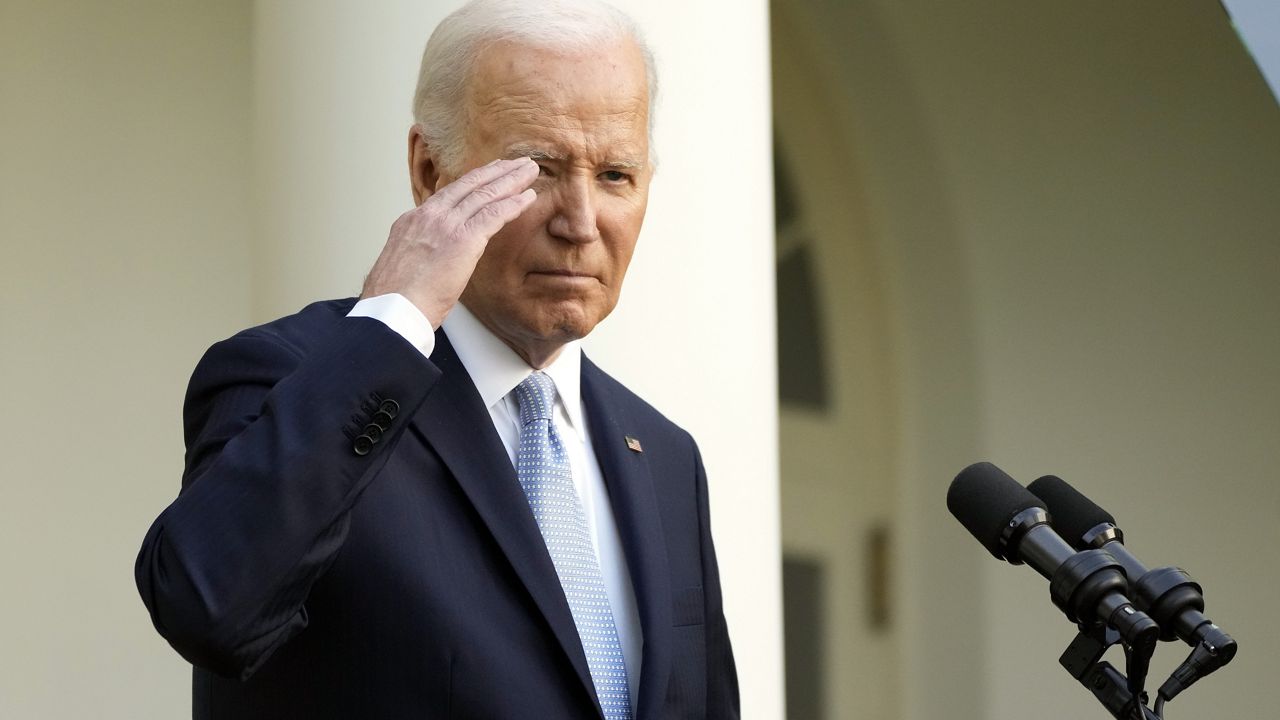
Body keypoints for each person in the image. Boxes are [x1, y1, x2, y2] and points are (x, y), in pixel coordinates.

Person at [134, 1, 739, 718]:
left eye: (615, 175)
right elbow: (208, 605)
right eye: (539, 168)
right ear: (429, 168)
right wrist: (393, 320)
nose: (580, 223)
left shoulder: (665, 455)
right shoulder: (293, 377)